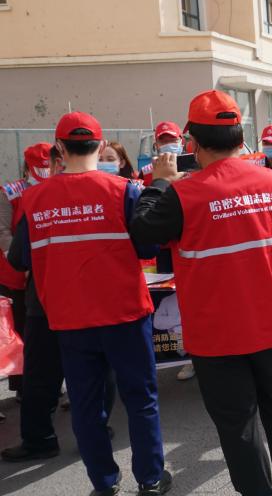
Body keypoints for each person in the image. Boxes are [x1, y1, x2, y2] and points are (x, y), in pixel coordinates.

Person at [130, 90, 272, 496]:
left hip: (218, 330)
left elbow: (142, 231)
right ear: (241, 137)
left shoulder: (184, 194)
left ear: (193, 142)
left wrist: (159, 183)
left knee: (237, 420)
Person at [10, 111, 171, 496]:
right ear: (100, 145)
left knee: (85, 405)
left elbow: (19, 259)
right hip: (125, 315)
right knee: (140, 398)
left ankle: (104, 482)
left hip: (69, 319)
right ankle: (150, 478)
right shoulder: (124, 190)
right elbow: (149, 247)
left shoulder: (33, 199)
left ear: (60, 148)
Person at [1, 142, 52, 398]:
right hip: (15, 274)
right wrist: (20, 261)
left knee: (48, 332)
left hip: (49, 271)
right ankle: (22, 387)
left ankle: (51, 382)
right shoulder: (10, 192)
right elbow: (3, 231)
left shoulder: (56, 188)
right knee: (19, 331)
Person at [140, 121, 184, 186]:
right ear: (156, 145)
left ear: (182, 142)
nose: (168, 144)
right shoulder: (145, 173)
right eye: (163, 141)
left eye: (173, 140)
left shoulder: (193, 169)